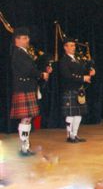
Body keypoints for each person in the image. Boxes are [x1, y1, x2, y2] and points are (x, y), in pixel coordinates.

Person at [10, 27, 52, 156]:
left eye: (27, 38)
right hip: (23, 88)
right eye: (23, 38)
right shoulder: (18, 53)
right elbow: (28, 70)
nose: (26, 40)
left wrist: (43, 71)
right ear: (16, 40)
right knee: (26, 118)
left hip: (27, 87)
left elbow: (31, 68)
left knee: (27, 119)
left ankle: (25, 146)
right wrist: (41, 74)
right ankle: (23, 147)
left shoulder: (24, 53)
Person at [59, 37, 95, 143]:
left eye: (74, 45)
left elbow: (82, 71)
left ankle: (75, 134)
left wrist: (90, 71)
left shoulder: (77, 59)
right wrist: (82, 78)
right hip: (70, 89)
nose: (72, 47)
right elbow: (67, 75)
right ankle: (69, 135)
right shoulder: (64, 60)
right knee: (70, 114)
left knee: (78, 114)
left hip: (79, 89)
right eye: (70, 45)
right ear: (65, 47)